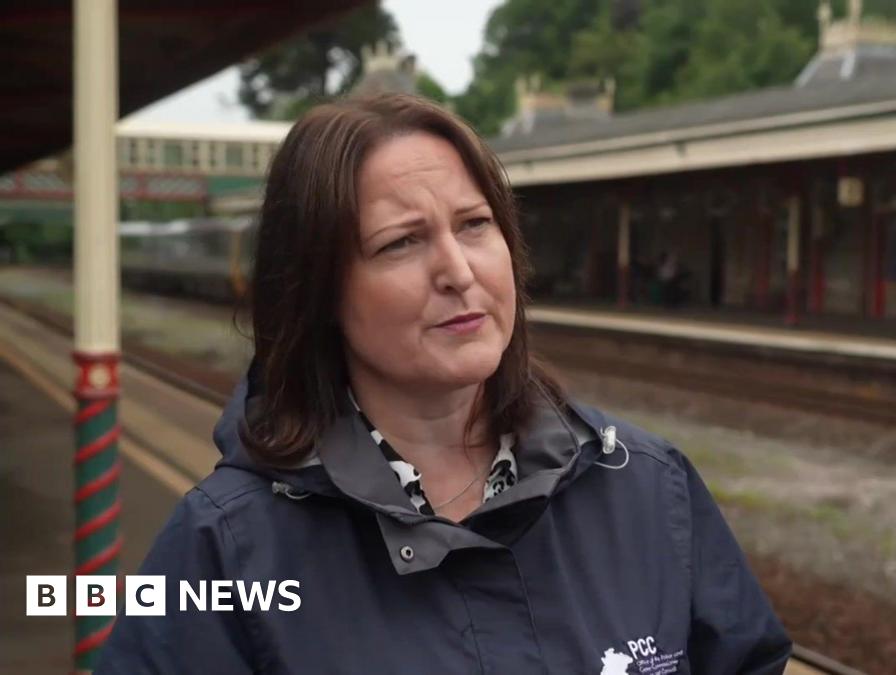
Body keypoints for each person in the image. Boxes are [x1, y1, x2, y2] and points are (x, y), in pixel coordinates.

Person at [95, 94, 791, 674]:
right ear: (318, 289)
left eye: (475, 225)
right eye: (401, 241)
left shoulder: (649, 488)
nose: (458, 269)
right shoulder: (227, 547)